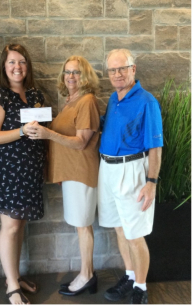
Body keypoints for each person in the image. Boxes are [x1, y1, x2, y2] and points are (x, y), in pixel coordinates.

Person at [25, 56, 100, 296]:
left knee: (82, 225)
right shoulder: (71, 101)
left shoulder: (86, 101)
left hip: (81, 172)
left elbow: (80, 143)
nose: (70, 77)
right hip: (71, 173)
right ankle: (87, 273)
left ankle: (87, 275)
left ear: (85, 76)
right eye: (67, 72)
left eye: (76, 72)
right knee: (80, 225)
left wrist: (47, 133)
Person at [98, 49, 163, 304]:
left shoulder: (147, 102)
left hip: (132, 170)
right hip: (107, 169)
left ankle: (141, 287)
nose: (117, 74)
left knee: (135, 234)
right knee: (119, 228)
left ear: (133, 69)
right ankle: (129, 275)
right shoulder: (114, 98)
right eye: (112, 70)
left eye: (122, 69)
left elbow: (156, 148)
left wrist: (151, 183)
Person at [0, 44, 46, 304]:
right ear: (4, 66)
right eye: (11, 62)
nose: (17, 67)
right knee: (10, 227)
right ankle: (11, 286)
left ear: (27, 66)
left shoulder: (34, 95)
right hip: (8, 171)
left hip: (29, 170)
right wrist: (21, 131)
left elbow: (42, 130)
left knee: (19, 225)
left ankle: (15, 275)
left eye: (22, 62)